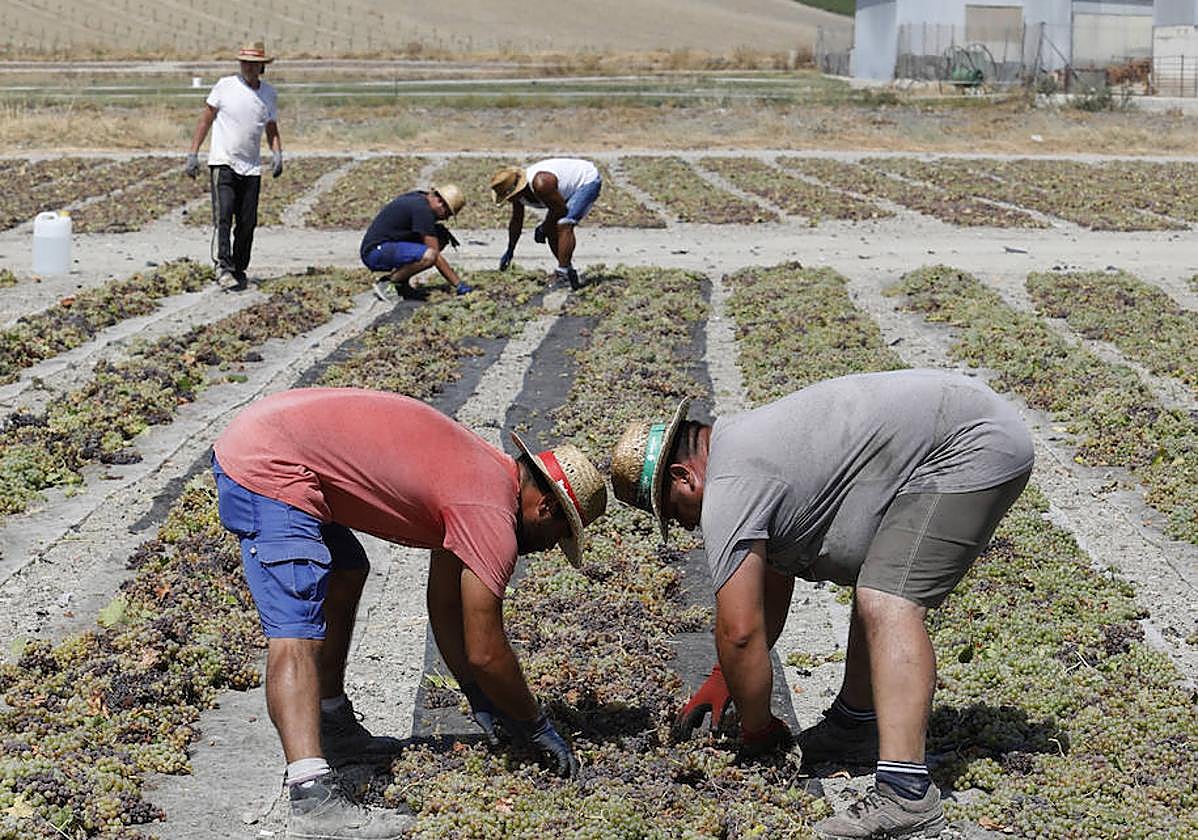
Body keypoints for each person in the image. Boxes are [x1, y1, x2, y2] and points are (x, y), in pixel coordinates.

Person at [609, 370, 1034, 840]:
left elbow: (740, 631)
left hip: (972, 444)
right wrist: (722, 676)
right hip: (960, 424)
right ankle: (855, 725)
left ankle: (907, 796)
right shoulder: (744, 451)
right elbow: (770, 584)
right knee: (880, 574)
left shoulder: (729, 486)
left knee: (889, 598)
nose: (688, 527)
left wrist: (758, 733)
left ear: (683, 477)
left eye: (673, 512)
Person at [213, 387, 607, 839]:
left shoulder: (481, 478)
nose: (546, 548)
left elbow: (444, 608)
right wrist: (535, 724)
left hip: (276, 435)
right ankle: (311, 798)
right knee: (296, 627)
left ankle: (331, 722)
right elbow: (486, 651)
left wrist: (479, 698)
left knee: (346, 569)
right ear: (548, 507)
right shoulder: (489, 512)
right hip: (271, 462)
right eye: (558, 535)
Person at [185, 40, 282, 290]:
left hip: (251, 166)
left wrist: (277, 153)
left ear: (262, 66)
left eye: (253, 64)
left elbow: (271, 127)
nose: (248, 68)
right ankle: (223, 266)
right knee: (224, 216)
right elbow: (205, 120)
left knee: (248, 221)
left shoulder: (269, 94)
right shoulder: (224, 86)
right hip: (223, 161)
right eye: (245, 63)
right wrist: (193, 153)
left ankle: (239, 267)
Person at [491, 158, 602, 290]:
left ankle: (563, 272)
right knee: (551, 228)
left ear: (517, 190)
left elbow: (561, 210)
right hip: (562, 192)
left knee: (564, 223)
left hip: (586, 181)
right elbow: (517, 220)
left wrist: (544, 226)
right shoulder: (517, 194)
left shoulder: (541, 184)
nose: (509, 201)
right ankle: (568, 271)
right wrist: (510, 249)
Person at [360, 185, 471, 301]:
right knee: (429, 256)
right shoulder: (423, 210)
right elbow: (435, 255)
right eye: (447, 214)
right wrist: (458, 284)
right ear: (441, 203)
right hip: (375, 252)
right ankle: (388, 282)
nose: (446, 219)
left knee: (440, 234)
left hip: (388, 245)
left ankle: (401, 283)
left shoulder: (421, 198)